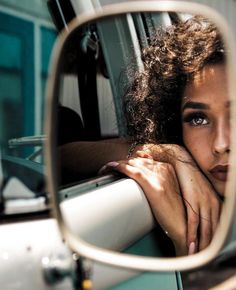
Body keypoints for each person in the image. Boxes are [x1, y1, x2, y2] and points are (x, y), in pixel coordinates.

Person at [59, 16, 228, 256]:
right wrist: (168, 153)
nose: (220, 144)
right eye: (197, 119)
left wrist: (185, 245)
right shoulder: (178, 158)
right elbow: (61, 157)